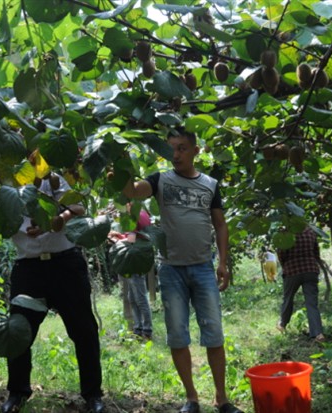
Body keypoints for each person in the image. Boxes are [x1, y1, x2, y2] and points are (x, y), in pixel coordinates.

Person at [122, 127, 243, 413]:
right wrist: (120, 158)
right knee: (177, 334)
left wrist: (223, 262)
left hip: (203, 267)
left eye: (182, 148)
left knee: (214, 333)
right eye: (171, 149)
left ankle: (222, 399)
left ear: (195, 151)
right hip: (171, 269)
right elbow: (132, 190)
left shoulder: (210, 184)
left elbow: (220, 224)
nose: (175, 154)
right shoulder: (160, 179)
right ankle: (191, 399)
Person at [1, 173, 105, 413]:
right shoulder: (5, 186)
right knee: (18, 331)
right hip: (28, 267)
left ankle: (92, 394)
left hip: (65, 264)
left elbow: (79, 206)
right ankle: (16, 393)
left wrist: (59, 217)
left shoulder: (50, 178)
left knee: (84, 330)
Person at [109, 206, 153, 340]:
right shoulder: (141, 212)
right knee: (132, 297)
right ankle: (138, 329)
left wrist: (115, 240)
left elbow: (131, 241)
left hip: (135, 261)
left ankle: (147, 330)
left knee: (140, 298)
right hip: (135, 260)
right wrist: (119, 236)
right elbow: (133, 236)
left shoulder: (135, 216)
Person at [276, 225, 325, 342]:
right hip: (310, 269)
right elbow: (316, 253)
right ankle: (318, 333)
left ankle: (282, 325)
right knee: (312, 303)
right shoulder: (310, 231)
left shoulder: (285, 232)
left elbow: (281, 254)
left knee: (288, 298)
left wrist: (285, 266)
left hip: (292, 270)